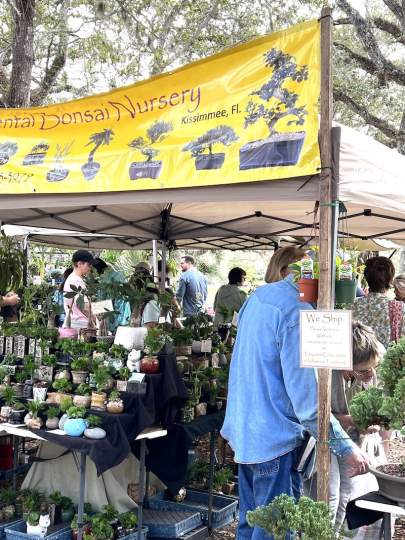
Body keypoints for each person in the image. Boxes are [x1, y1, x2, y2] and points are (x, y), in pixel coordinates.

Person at [220, 272, 369, 540]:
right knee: (274, 531)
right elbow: (309, 406)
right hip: (273, 442)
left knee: (251, 525)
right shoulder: (297, 315)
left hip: (246, 432)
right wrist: (348, 449)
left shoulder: (261, 295)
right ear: (327, 286)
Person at [330, 321, 382, 529]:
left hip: (351, 437)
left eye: (374, 367)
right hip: (323, 439)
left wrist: (373, 422)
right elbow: (316, 415)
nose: (371, 374)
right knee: (330, 495)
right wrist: (351, 420)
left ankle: (334, 533)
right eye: (363, 371)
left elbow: (376, 403)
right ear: (345, 363)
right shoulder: (328, 374)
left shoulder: (369, 362)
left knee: (346, 493)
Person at [351, 256, 405, 348]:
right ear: (390, 280)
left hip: (356, 357)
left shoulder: (353, 306)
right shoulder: (399, 308)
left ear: (367, 278)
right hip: (387, 357)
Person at [63, 250, 94, 329]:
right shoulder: (76, 280)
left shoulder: (73, 278)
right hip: (81, 324)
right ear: (79, 264)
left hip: (77, 322)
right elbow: (84, 307)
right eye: (88, 265)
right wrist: (96, 320)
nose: (90, 268)